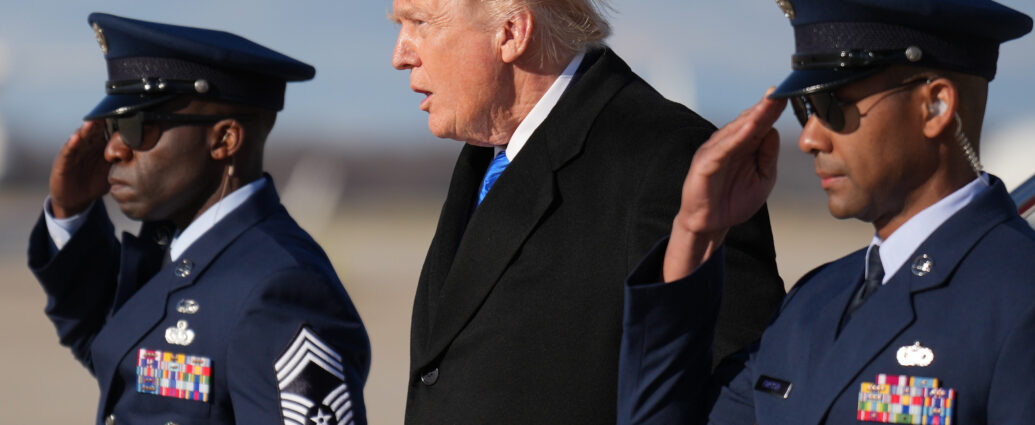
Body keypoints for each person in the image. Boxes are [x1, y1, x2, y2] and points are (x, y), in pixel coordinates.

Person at [617, 0, 1035, 424]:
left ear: (936, 106)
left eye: (835, 106)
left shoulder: (1019, 301)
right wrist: (696, 231)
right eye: (806, 110)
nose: (809, 139)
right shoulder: (816, 301)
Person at [389, 0, 785, 422]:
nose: (400, 55)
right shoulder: (488, 153)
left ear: (512, 32)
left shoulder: (668, 159)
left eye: (420, 22)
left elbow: (744, 393)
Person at [27, 13, 370, 425]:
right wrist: (71, 213)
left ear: (224, 139)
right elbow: (114, 350)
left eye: (138, 126)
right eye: (111, 127)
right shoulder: (179, 253)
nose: (113, 150)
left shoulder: (279, 287)